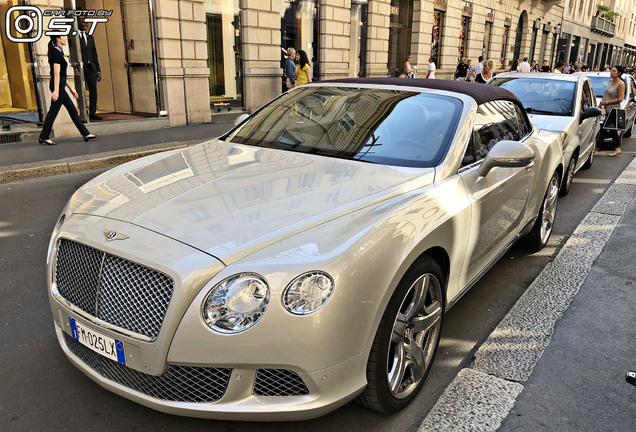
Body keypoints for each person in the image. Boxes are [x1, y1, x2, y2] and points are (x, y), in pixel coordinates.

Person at [38, 35, 96, 145]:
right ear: (57, 39)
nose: (65, 38)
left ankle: (86, 133)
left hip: (60, 85)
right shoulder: (55, 52)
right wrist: (56, 91)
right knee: (53, 112)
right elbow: (56, 73)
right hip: (57, 86)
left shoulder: (59, 52)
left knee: (72, 110)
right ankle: (44, 136)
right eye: (63, 37)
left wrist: (72, 89)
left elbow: (62, 76)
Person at [597, 65, 626, 157]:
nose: (611, 72)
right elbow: (606, 94)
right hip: (607, 108)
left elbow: (620, 99)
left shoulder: (621, 84)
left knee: (603, 128)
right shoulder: (610, 81)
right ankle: (617, 148)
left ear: (619, 73)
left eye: (614, 71)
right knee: (612, 129)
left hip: (614, 109)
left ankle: (597, 148)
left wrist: (606, 102)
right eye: (611, 70)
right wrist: (601, 103)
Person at [77, 17, 102, 120]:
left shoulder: (90, 37)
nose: (85, 25)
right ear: (77, 23)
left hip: (91, 68)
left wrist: (98, 70)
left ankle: (93, 113)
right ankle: (82, 113)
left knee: (93, 90)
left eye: (86, 23)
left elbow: (95, 55)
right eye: (83, 22)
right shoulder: (74, 37)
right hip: (80, 68)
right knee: (80, 91)